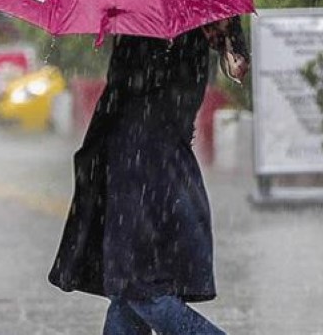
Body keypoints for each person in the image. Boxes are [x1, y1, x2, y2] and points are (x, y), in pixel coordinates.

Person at [48, 17, 249, 335]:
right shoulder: (191, 15)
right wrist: (228, 40)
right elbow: (234, 67)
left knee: (142, 288)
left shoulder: (147, 20)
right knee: (128, 292)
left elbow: (134, 85)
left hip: (140, 163)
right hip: (161, 161)